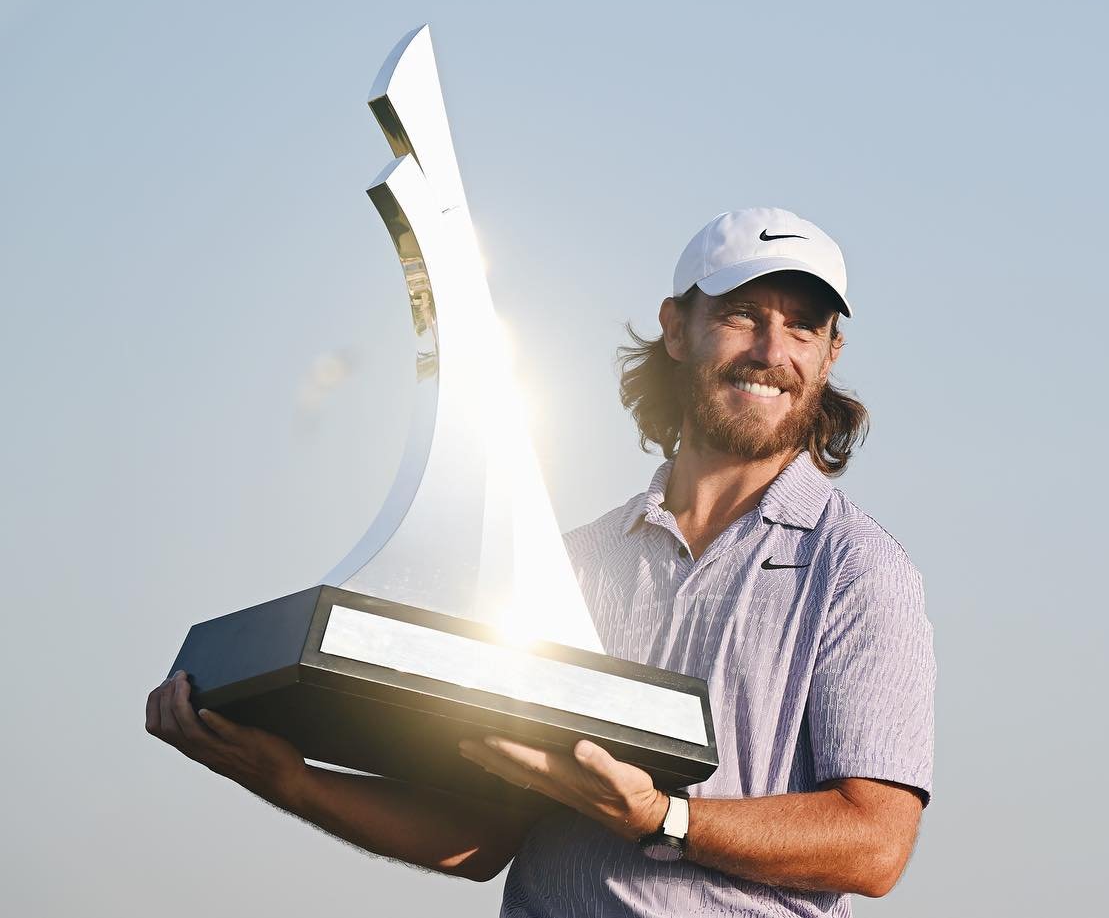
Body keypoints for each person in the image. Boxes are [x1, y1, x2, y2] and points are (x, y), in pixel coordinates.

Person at [146, 207, 936, 917]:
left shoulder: (859, 568)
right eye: (741, 315)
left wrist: (664, 817)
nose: (771, 350)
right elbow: (482, 834)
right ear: (676, 326)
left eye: (803, 328)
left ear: (831, 353)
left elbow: (875, 843)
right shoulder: (569, 565)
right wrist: (293, 780)